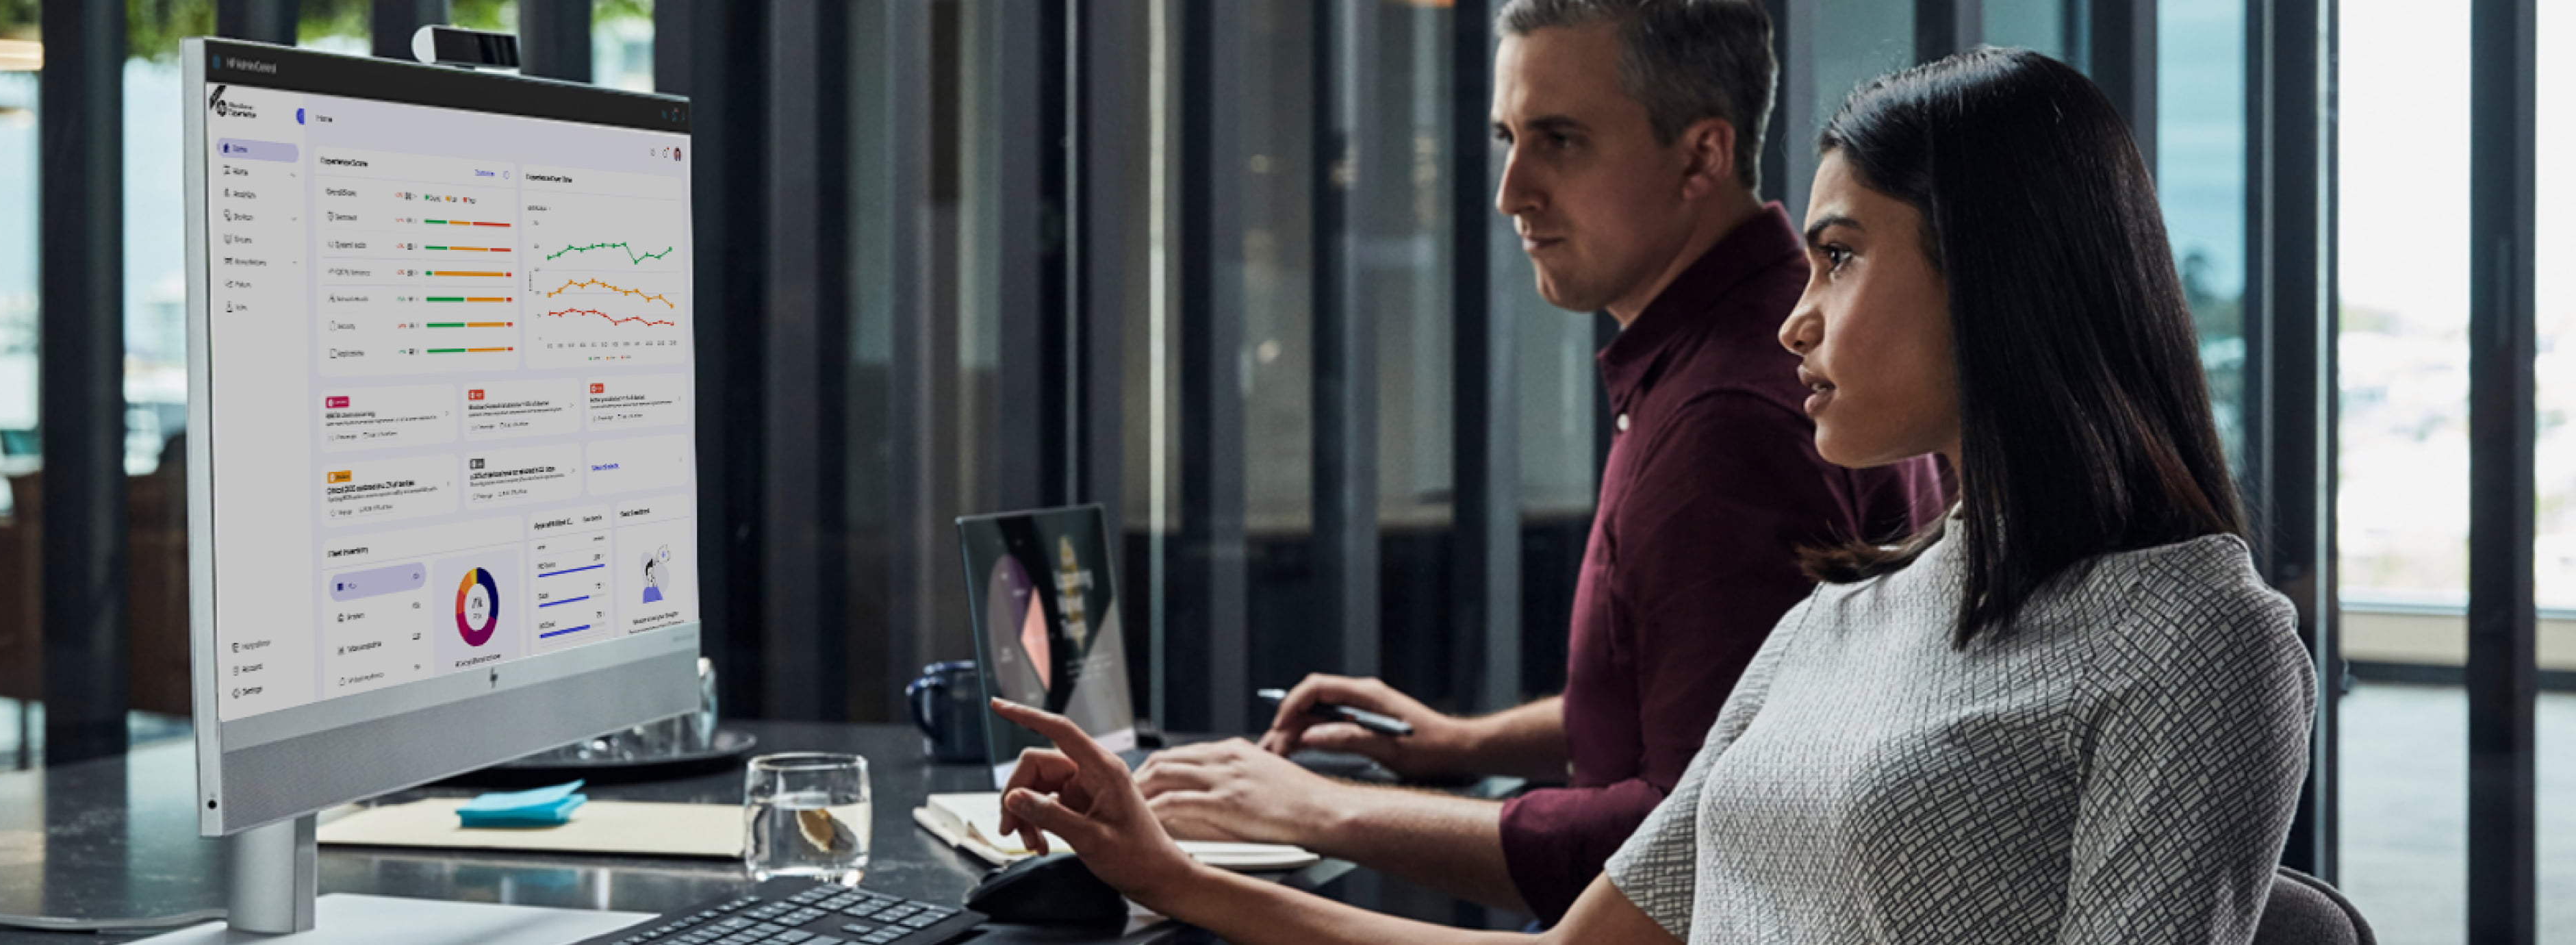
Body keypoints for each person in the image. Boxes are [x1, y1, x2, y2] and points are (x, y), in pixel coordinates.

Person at [984, 45, 2317, 944]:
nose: (1795, 322)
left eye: (1839, 261)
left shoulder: (2196, 638)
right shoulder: (1838, 623)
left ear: (2002, 280)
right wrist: (1171, 879)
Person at [1123, 0, 1943, 924]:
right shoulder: (1723, 361)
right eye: (1509, 137)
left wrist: (1324, 810)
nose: (1512, 189)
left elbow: (1690, 836)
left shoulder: (1726, 417)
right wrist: (1459, 741)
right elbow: (1723, 711)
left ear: (1703, 157)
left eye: (1559, 140)